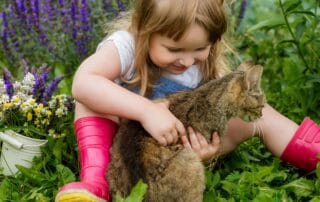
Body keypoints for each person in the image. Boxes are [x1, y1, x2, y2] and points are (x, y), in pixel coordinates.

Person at [55, 0, 320, 201]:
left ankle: (315, 153)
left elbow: (212, 110)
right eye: (174, 49)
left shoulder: (201, 64)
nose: (187, 60)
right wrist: (146, 110)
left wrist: (200, 152)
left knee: (261, 116)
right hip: (122, 148)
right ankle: (96, 183)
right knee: (90, 97)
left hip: (175, 149)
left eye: (200, 49)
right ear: (144, 29)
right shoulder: (125, 46)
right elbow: (83, 82)